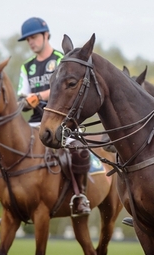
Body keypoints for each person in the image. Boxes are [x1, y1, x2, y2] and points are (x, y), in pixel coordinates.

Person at [16, 17, 91, 217]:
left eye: (34, 37)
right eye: (28, 39)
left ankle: (80, 196)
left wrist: (38, 96)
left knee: (77, 150)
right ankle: (13, 201)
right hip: (35, 122)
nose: (31, 42)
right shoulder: (27, 66)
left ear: (46, 35)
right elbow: (22, 94)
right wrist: (24, 101)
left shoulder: (62, 59)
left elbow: (64, 87)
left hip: (63, 120)